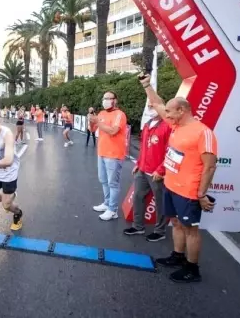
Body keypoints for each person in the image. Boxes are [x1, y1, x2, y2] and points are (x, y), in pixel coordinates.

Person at [140, 74, 217, 283]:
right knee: (175, 223)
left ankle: (192, 269)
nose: (167, 116)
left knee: (191, 230)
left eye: (170, 112)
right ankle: (177, 256)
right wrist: (146, 85)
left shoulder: (203, 132)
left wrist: (201, 194)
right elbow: (157, 103)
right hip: (171, 187)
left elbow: (210, 166)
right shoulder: (176, 126)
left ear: (181, 111)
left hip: (189, 192)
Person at [124, 104, 170, 241]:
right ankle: (138, 226)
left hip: (157, 172)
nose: (150, 108)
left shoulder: (167, 126)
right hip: (143, 170)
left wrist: (161, 169)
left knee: (160, 202)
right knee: (138, 196)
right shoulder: (147, 124)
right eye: (148, 106)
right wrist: (138, 164)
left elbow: (170, 151)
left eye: (153, 106)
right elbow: (143, 148)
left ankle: (160, 231)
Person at [93, 91, 127, 221]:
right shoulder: (101, 113)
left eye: (109, 98)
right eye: (104, 98)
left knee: (113, 183)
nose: (105, 100)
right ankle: (107, 203)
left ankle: (113, 210)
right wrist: (92, 122)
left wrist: (98, 122)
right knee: (103, 180)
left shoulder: (119, 114)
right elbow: (93, 129)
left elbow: (113, 131)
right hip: (101, 152)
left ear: (115, 100)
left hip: (114, 154)